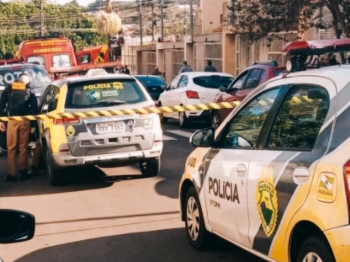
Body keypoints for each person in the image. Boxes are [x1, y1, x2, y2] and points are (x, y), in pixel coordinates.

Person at [0, 74, 39, 182]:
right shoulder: (29, 92)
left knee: (11, 148)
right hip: (25, 120)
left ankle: (11, 174)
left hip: (12, 121)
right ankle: (23, 171)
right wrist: (32, 124)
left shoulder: (8, 89)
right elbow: (34, 109)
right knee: (23, 147)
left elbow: (1, 104)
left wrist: (1, 121)